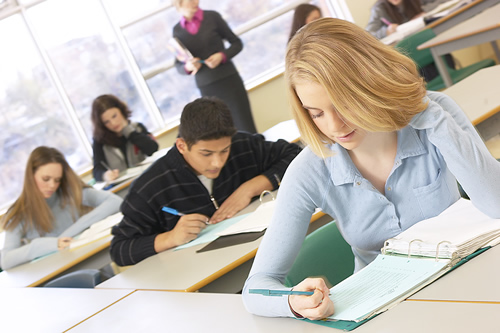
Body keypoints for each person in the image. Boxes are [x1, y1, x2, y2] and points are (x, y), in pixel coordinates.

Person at [242, 18, 500, 320]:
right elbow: (255, 289)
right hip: (383, 316)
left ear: (369, 83)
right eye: (317, 114)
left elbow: (496, 204)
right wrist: (292, 301)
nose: (335, 126)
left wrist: (424, 111)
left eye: (343, 104)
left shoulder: (435, 116)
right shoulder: (310, 169)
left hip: (466, 289)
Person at [110, 97, 301, 266]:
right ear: (182, 145)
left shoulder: (241, 145)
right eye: (206, 153)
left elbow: (294, 154)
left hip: (265, 251)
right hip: (200, 271)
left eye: (224, 150)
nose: (217, 162)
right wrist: (171, 237)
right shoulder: (150, 188)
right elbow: (119, 250)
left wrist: (250, 188)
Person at [0, 146, 122, 270]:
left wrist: (68, 234)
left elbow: (116, 202)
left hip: (89, 261)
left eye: (57, 180)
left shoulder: (70, 192)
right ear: (31, 176)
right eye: (46, 179)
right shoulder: (19, 213)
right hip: (56, 272)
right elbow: (5, 260)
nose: (52, 186)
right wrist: (47, 244)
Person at [171, 0, 257, 133]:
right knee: (223, 133)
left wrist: (221, 56)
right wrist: (188, 66)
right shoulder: (177, 30)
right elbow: (179, 65)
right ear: (179, 4)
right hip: (207, 88)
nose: (196, 1)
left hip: (229, 81)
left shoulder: (212, 17)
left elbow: (236, 43)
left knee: (246, 127)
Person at [91, 94, 159, 182]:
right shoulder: (99, 141)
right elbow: (97, 170)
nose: (113, 123)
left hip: (146, 180)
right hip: (123, 186)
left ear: (121, 110)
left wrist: (128, 131)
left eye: (114, 116)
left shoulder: (137, 128)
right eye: (106, 122)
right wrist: (105, 175)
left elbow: (153, 149)